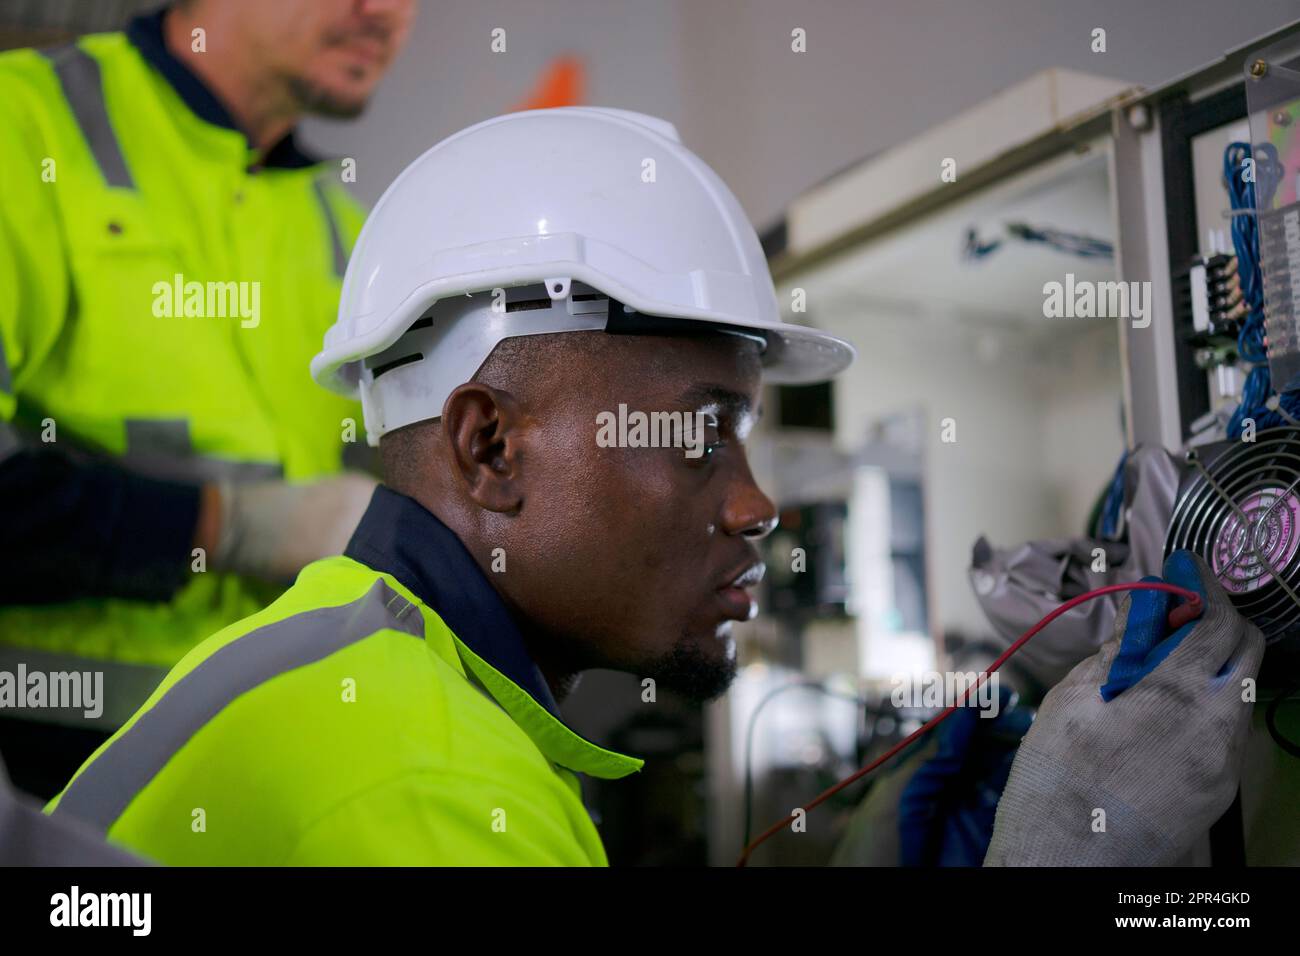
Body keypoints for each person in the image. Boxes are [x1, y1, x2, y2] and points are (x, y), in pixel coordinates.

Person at [46, 108, 1262, 867]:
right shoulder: (424, 787)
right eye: (700, 435)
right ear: (489, 448)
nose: (754, 504)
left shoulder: (360, 663)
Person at [0, 0, 414, 785]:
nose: (384, 11)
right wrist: (229, 527)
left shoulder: (347, 228)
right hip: (45, 767)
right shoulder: (20, 128)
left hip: (267, 760)